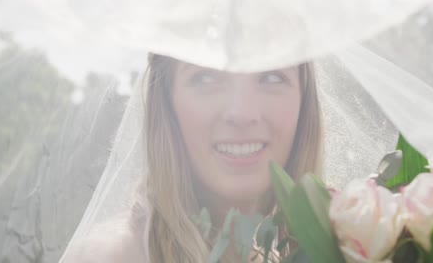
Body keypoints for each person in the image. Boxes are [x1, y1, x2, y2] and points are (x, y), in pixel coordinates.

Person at [61, 51, 322, 262]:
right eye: (206, 78)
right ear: (166, 102)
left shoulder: (297, 254)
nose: (242, 112)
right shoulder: (110, 257)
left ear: (304, 99)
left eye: (272, 77)